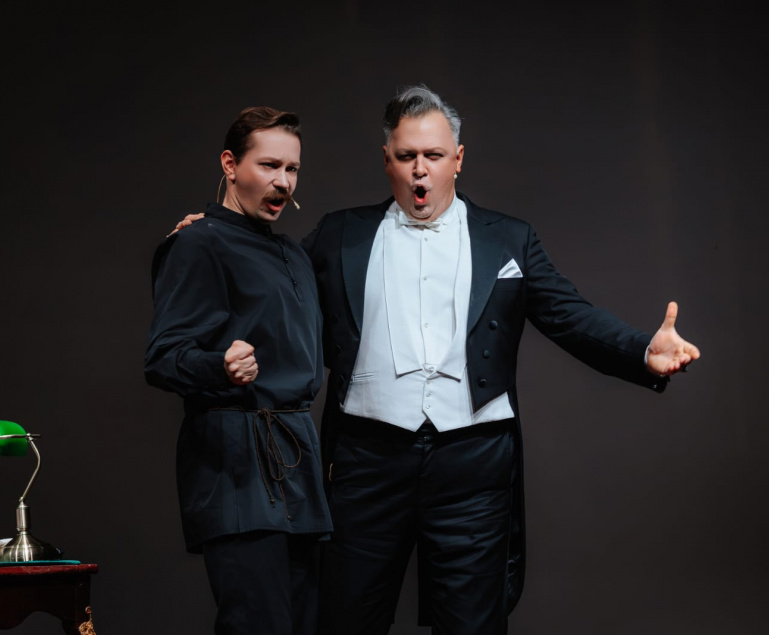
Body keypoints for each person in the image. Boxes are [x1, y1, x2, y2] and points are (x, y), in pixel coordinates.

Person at [299, 85, 701, 635]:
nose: (420, 170)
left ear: (458, 159)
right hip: (366, 460)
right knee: (344, 619)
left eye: (434, 155)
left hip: (474, 463)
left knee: (472, 624)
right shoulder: (339, 233)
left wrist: (641, 350)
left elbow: (569, 315)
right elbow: (276, 285)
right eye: (407, 155)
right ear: (386, 159)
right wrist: (216, 231)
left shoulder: (509, 238)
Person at [144, 106, 332, 635]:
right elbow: (162, 358)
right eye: (269, 165)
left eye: (292, 169)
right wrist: (220, 367)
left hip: (297, 461)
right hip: (235, 464)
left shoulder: (293, 255)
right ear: (230, 164)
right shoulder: (198, 242)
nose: (283, 182)